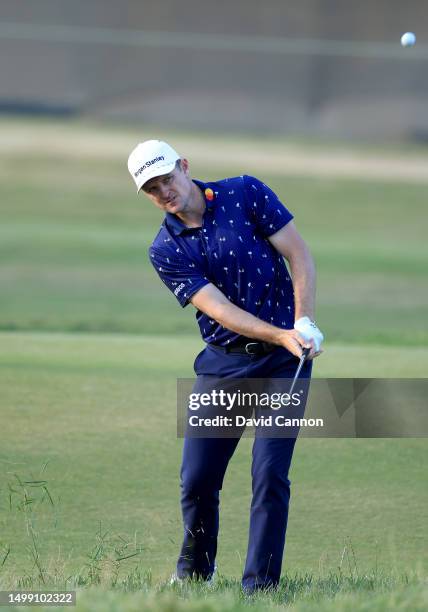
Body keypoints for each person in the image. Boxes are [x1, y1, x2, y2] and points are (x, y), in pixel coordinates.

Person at [127, 139, 324, 593]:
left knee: (270, 473)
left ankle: (260, 587)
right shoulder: (165, 248)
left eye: (167, 179)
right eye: (153, 189)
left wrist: (303, 321)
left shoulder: (245, 192)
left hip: (283, 362)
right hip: (224, 365)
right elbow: (218, 309)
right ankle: (196, 574)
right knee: (197, 478)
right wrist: (281, 334)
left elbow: (298, 254)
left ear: (185, 166)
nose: (165, 192)